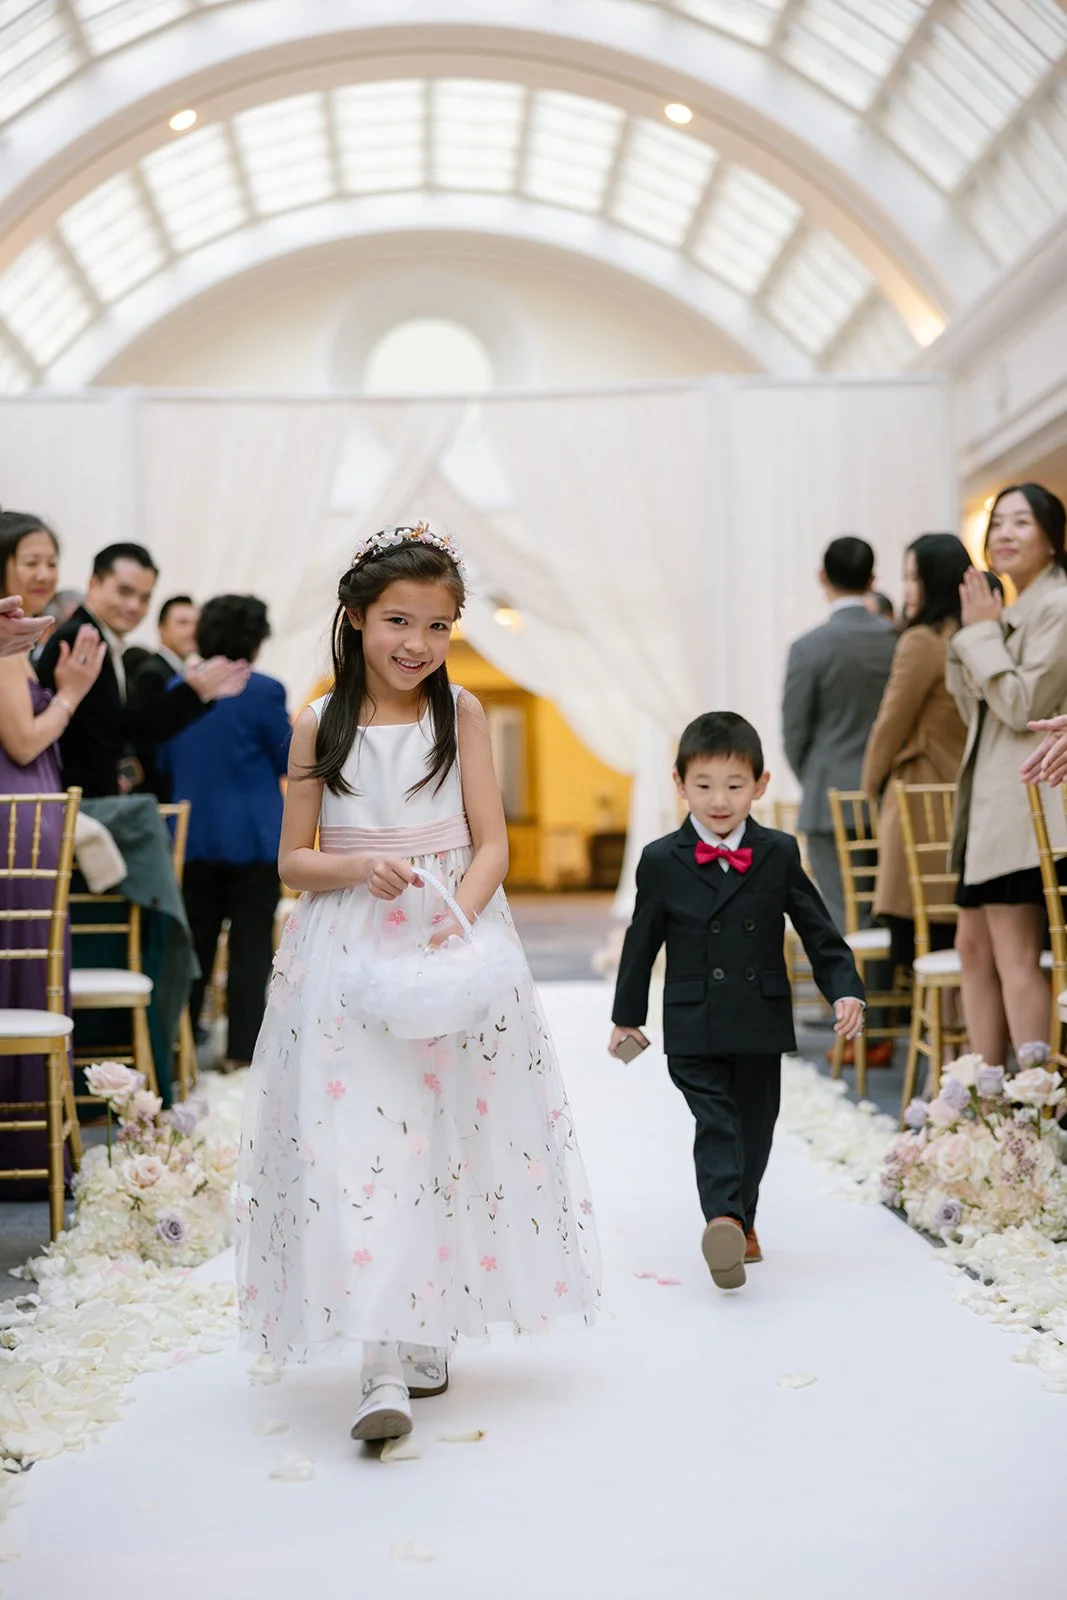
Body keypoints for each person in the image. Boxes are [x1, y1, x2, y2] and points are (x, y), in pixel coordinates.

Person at [236, 524, 600, 1444]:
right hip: (348, 952)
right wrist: (359, 873)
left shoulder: (462, 712)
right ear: (355, 618)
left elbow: (493, 843)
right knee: (358, 1139)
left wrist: (454, 923)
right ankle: (378, 1363)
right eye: (399, 620)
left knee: (442, 1129)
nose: (417, 644)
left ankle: (425, 1317)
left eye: (438, 626)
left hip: (450, 934)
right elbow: (291, 861)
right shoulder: (320, 721)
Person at [608, 711, 864, 1291]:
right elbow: (641, 941)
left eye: (734, 786)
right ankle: (721, 1218)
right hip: (693, 1019)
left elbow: (816, 928)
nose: (718, 800)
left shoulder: (777, 851)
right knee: (716, 1120)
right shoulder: (660, 858)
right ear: (679, 784)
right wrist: (627, 1017)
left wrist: (844, 987)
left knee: (757, 1124)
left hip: (759, 1016)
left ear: (761, 785)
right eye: (703, 786)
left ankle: (742, 1220)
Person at [0, 511, 106, 1192]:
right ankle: (23, 1159)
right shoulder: (7, 643)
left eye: (50, 561)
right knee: (27, 971)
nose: (44, 574)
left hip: (27, 815)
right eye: (30, 560)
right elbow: (24, 741)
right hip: (17, 819)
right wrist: (69, 694)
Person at [947, 484, 1067, 1066]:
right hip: (995, 810)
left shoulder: (1058, 605)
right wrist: (977, 632)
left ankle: (1037, 1100)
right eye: (997, 524)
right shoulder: (1009, 612)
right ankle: (986, 1092)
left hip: (1030, 807)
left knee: (1016, 954)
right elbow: (974, 707)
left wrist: (981, 635)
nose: (1005, 534)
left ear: (1051, 538)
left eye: (1022, 522)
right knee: (974, 947)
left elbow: (1024, 707)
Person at [155, 595, 291, 1073]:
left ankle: (183, 1049)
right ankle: (242, 1054)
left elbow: (165, 763)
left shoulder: (179, 688)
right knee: (253, 948)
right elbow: (286, 757)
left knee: (193, 947)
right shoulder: (266, 691)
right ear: (255, 640)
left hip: (190, 839)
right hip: (254, 838)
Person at [35, 543, 249, 797]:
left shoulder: (101, 639)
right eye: (124, 592)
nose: (134, 605)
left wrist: (194, 693)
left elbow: (117, 726)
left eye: (144, 597)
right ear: (94, 585)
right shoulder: (82, 638)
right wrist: (191, 694)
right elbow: (109, 733)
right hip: (75, 801)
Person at [862, 534, 970, 976]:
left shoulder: (923, 641)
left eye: (912, 577)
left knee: (930, 942)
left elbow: (890, 723)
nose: (907, 588)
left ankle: (944, 1042)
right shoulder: (976, 634)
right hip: (964, 798)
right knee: (966, 945)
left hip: (923, 804)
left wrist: (870, 784)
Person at [782, 536, 897, 931]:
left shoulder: (809, 647)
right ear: (873, 579)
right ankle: (886, 993)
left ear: (821, 577)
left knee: (842, 916)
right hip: (890, 798)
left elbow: (793, 733)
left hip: (828, 798)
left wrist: (816, 776)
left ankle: (849, 994)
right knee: (889, 913)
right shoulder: (898, 641)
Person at [125, 593, 200, 697]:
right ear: (162, 628)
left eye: (197, 624)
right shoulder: (152, 674)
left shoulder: (181, 673)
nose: (192, 631)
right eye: (183, 623)